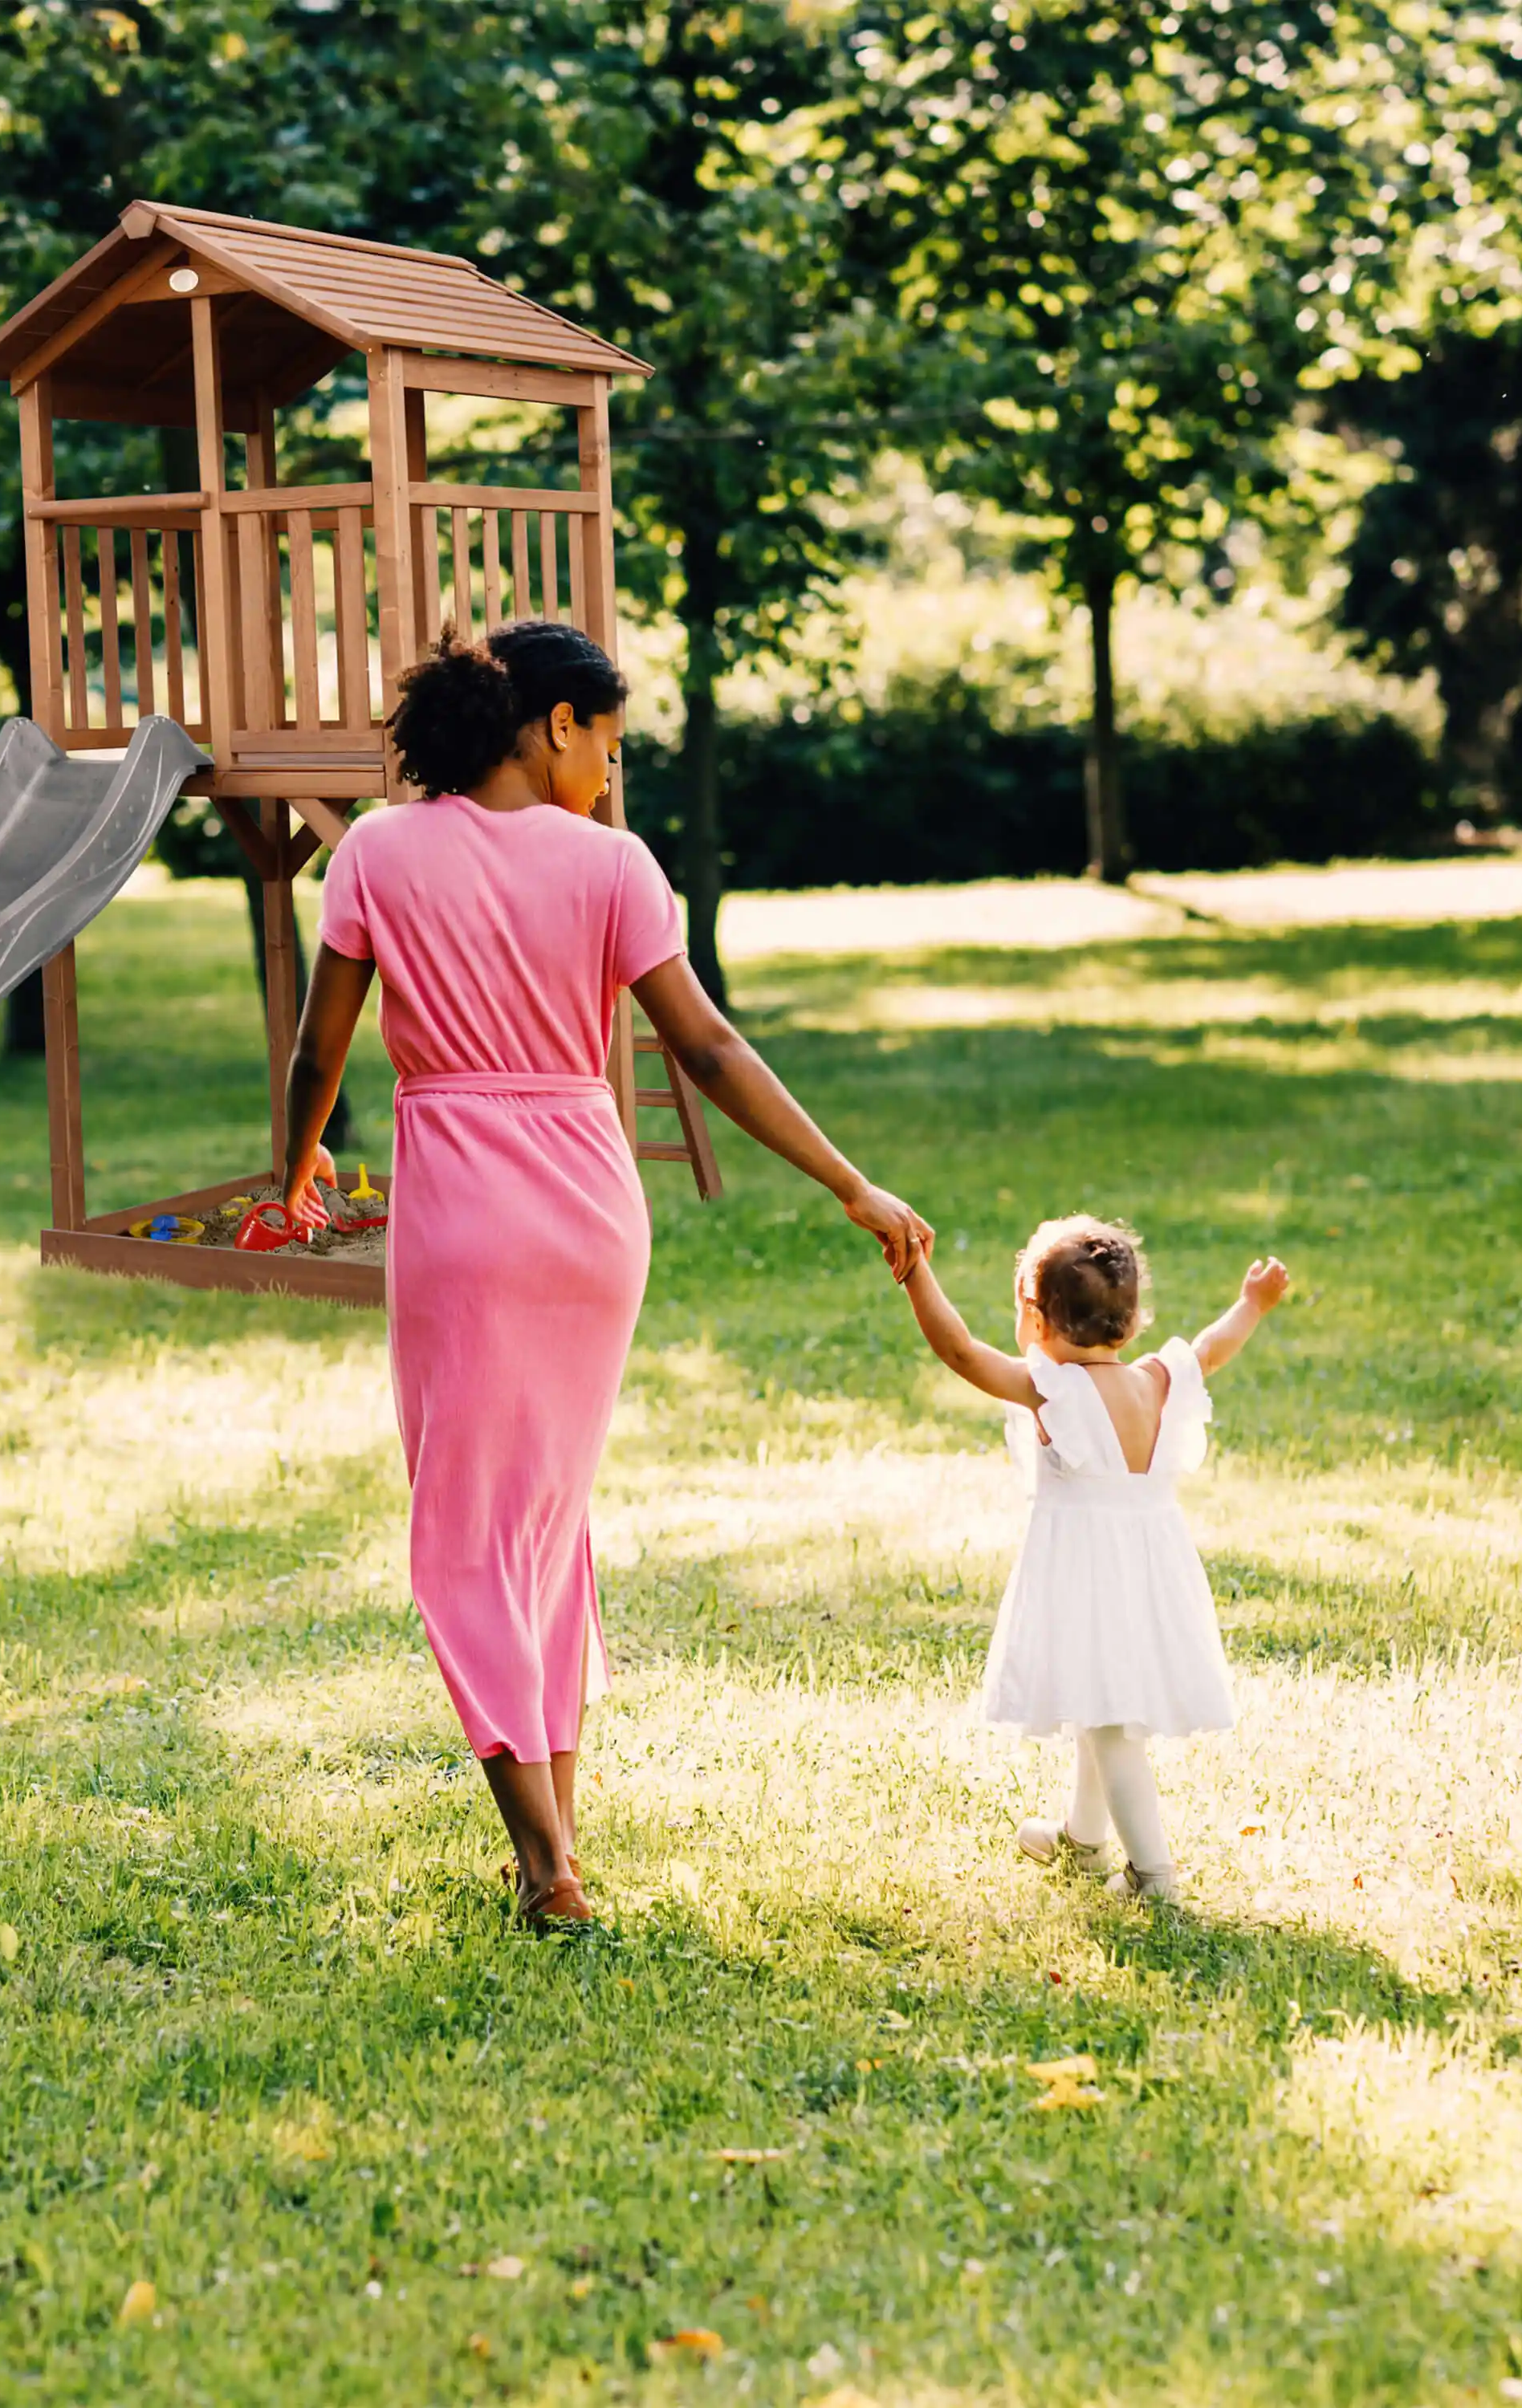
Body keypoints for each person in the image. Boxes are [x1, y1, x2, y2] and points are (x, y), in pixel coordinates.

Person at [275, 620, 932, 1931]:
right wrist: (848, 1181)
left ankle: (544, 1866)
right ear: (555, 724)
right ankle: (557, 1842)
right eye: (610, 747)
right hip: (590, 1215)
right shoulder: (616, 869)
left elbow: (319, 1051)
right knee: (546, 1527)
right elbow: (708, 1050)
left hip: (461, 1216)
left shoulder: (377, 854)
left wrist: (291, 1174)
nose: (611, 780)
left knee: (467, 1535)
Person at [897, 1217, 1292, 1902]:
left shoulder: (1053, 1391)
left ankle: (1154, 1875)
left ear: (1037, 1317)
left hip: (1088, 1575)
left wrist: (915, 1272)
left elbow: (960, 1351)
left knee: (1111, 1724)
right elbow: (1212, 1346)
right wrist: (1251, 1305)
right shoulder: (1159, 1379)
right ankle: (1083, 1840)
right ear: (1132, 1321)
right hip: (1150, 1571)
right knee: (1096, 1698)